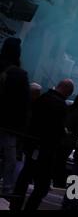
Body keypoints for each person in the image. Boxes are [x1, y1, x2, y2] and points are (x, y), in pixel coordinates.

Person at [10, 79, 74, 211]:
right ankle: (30, 207)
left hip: (32, 143)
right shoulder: (61, 106)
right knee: (42, 185)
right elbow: (56, 129)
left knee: (25, 175)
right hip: (46, 148)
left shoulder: (43, 98)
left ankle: (15, 204)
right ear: (67, 91)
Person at [0, 37, 30, 196]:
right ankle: (7, 186)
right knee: (10, 157)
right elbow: (24, 104)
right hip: (10, 124)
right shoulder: (20, 74)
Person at [54, 91, 78, 187]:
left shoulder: (69, 108)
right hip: (69, 142)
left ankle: (57, 181)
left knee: (57, 161)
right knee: (61, 162)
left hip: (60, 138)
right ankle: (60, 183)